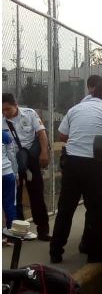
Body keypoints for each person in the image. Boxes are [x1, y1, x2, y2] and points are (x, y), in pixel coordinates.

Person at [50, 82, 102, 263]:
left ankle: (55, 252)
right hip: (94, 165)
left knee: (65, 209)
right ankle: (93, 252)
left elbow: (62, 136)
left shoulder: (75, 109)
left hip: (72, 163)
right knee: (95, 210)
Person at [2, 93, 51, 241]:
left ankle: (43, 230)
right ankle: (19, 232)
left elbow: (41, 133)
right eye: (2, 110)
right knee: (15, 199)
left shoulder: (29, 114)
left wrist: (44, 152)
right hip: (12, 164)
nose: (5, 113)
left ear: (15, 104)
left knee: (36, 196)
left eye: (7, 109)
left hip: (30, 160)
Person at [2, 129, 18, 245]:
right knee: (9, 204)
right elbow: (11, 155)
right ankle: (12, 237)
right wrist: (15, 173)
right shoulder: (4, 135)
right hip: (7, 172)